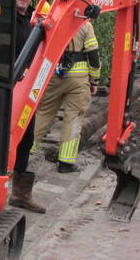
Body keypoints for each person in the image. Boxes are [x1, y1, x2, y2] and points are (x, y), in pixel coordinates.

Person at [0, 0, 46, 212]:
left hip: (27, 88)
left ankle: (20, 194)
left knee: (26, 137)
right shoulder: (0, 17)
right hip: (4, 87)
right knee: (0, 137)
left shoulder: (34, 19)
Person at [33, 22, 101, 173]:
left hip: (52, 74)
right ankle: (66, 162)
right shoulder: (85, 25)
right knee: (73, 117)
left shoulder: (53, 18)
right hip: (78, 78)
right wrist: (95, 79)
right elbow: (93, 53)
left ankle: (26, 151)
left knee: (43, 112)